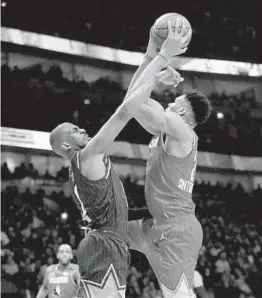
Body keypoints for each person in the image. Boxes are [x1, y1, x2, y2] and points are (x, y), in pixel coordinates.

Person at [49, 62, 180, 298]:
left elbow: (115, 209)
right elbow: (124, 111)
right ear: (67, 145)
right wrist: (155, 80)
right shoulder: (86, 156)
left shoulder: (85, 163)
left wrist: (155, 57)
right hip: (105, 243)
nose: (83, 130)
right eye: (76, 130)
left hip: (107, 241)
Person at [127, 19, 212, 298]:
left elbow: (134, 102)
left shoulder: (181, 130)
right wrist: (150, 56)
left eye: (176, 104)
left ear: (186, 114)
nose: (170, 103)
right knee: (105, 232)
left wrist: (160, 60)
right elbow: (130, 102)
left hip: (177, 232)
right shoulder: (164, 132)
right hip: (156, 223)